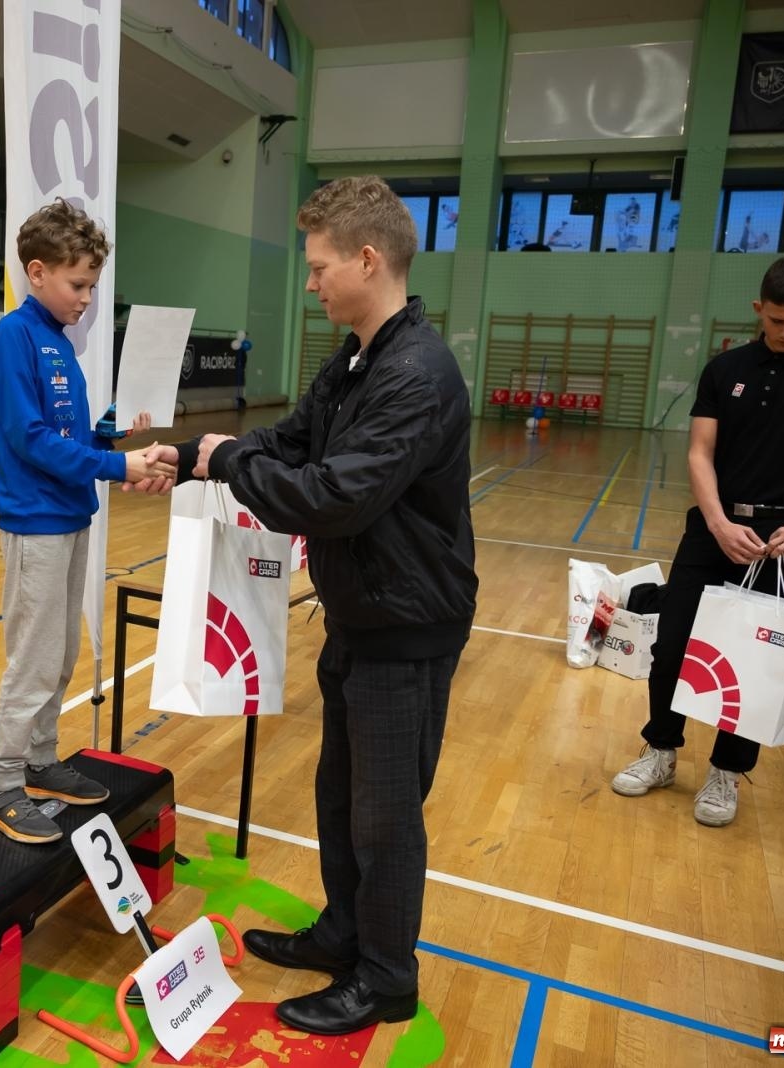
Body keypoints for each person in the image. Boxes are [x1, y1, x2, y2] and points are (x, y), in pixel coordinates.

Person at [137, 176, 477, 1034]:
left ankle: (387, 977)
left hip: (407, 625)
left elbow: (332, 496)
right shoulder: (359, 357)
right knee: (340, 793)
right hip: (362, 611)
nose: (312, 281)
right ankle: (346, 930)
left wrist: (225, 464)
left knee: (386, 817)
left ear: (369, 259)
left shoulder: (416, 373)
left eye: (321, 266)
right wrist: (188, 453)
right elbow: (287, 442)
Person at [611, 257, 784, 826]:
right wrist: (719, 524)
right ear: (759, 308)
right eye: (777, 319)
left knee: (751, 663)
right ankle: (660, 751)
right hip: (714, 531)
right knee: (673, 649)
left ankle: (726, 773)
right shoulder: (724, 368)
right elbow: (699, 452)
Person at [0, 198, 173, 845]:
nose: (88, 298)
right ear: (37, 272)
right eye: (79, 284)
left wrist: (113, 429)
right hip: (35, 522)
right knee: (32, 658)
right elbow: (30, 439)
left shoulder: (60, 344)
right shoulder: (15, 335)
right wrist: (118, 467)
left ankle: (40, 759)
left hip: (70, 514)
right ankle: (2, 783)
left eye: (92, 285)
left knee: (61, 653)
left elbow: (71, 436)